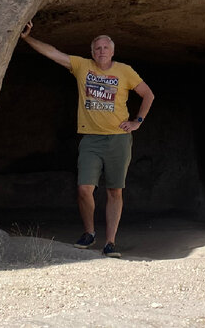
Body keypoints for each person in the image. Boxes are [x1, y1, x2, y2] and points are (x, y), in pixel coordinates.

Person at [19, 21, 154, 257]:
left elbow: (148, 94)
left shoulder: (125, 71)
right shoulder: (82, 66)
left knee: (115, 191)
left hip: (118, 139)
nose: (101, 51)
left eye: (105, 48)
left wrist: (137, 121)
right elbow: (53, 53)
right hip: (91, 139)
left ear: (112, 51)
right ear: (92, 53)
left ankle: (110, 242)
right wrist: (27, 38)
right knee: (84, 188)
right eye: (97, 48)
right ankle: (89, 233)